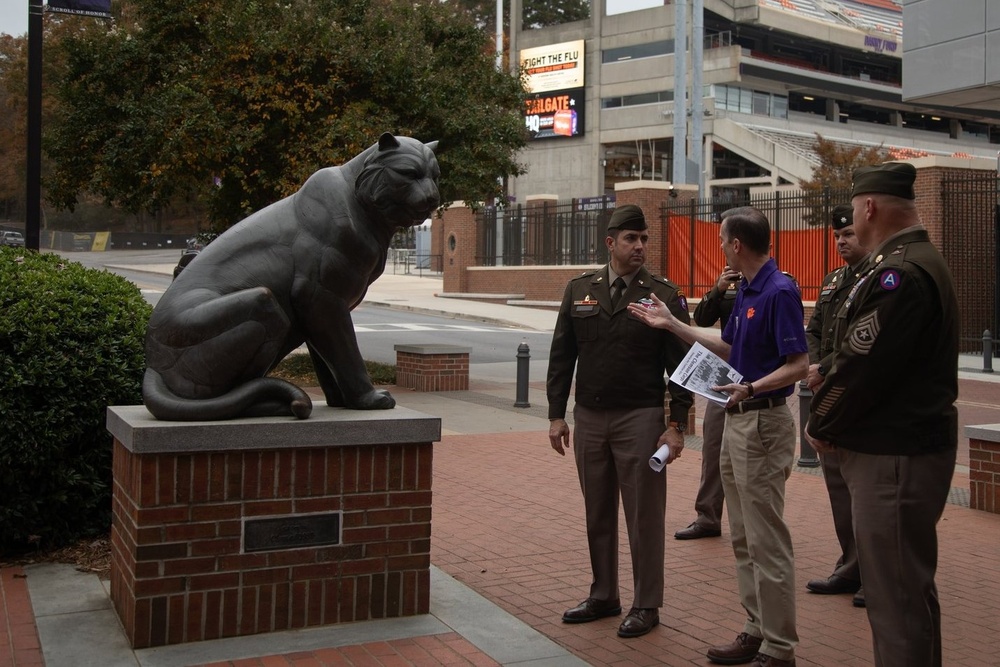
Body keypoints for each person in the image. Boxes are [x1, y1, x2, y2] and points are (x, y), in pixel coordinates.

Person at [628, 206, 807, 667]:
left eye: (722, 239)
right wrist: (672, 324)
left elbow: (798, 365)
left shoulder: (779, 291)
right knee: (745, 537)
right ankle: (755, 629)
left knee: (767, 538)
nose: (720, 246)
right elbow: (732, 348)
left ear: (736, 245)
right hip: (738, 420)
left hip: (764, 422)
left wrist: (752, 386)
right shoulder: (747, 288)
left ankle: (780, 647)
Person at [805, 162, 958, 667]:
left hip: (893, 453)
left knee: (895, 603)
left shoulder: (900, 273)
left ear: (868, 207)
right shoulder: (899, 262)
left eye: (853, 208)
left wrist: (821, 422)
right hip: (898, 446)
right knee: (908, 594)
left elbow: (857, 366)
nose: (852, 217)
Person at [547, 204, 693, 639]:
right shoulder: (579, 290)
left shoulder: (663, 297)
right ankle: (604, 594)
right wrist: (556, 415)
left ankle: (647, 603)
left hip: (641, 418)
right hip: (590, 418)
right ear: (610, 243)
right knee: (598, 512)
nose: (640, 247)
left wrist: (677, 425)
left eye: (645, 239)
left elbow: (680, 367)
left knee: (644, 515)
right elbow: (561, 357)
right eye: (631, 239)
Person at [803, 204, 869, 607]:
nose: (843, 242)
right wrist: (814, 364)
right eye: (837, 237)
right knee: (838, 489)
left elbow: (863, 339)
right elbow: (813, 329)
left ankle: (871, 572)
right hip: (826, 397)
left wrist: (825, 367)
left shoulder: (877, 279)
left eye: (849, 235)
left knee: (864, 491)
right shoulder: (831, 282)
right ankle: (850, 564)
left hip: (855, 396)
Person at [674, 265, 739, 540]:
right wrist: (717, 289)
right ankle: (708, 517)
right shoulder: (728, 285)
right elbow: (701, 317)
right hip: (726, 377)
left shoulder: (776, 284)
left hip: (759, 379)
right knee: (713, 447)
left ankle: (748, 523)